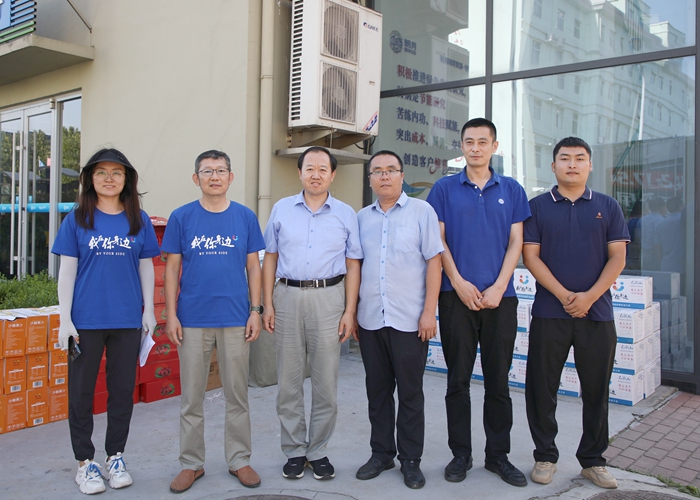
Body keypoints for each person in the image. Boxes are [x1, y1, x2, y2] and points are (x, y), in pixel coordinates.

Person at [426, 118, 530, 487]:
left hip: (501, 299)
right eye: (469, 141)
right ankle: (461, 454)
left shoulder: (512, 189)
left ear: (494, 146)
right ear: (462, 146)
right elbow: (438, 241)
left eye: (482, 142)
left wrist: (500, 285)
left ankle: (498, 456)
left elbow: (516, 242)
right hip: (456, 298)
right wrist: (457, 282)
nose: (475, 148)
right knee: (458, 380)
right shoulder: (444, 188)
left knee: (498, 381)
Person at [52, 148, 160, 495]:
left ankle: (115, 456)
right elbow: (67, 272)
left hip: (126, 320)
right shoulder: (77, 219)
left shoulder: (137, 220)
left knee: (122, 392)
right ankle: (85, 462)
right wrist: (64, 319)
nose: (109, 178)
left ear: (127, 179)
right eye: (101, 172)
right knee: (81, 394)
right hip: (85, 321)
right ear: (90, 179)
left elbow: (146, 266)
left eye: (117, 172)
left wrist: (148, 310)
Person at [523, 137, 629, 489]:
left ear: (590, 165)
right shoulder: (537, 207)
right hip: (549, 313)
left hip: (597, 315)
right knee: (542, 388)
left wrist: (589, 297)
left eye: (579, 158)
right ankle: (545, 455)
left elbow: (618, 257)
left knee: (596, 391)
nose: (572, 164)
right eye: (565, 158)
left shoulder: (607, 205)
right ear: (553, 165)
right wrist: (565, 295)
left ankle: (593, 460)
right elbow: (531, 257)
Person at [162, 150, 265, 494]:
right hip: (192, 319)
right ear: (197, 178)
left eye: (221, 170)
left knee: (237, 394)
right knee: (191, 397)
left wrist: (255, 310)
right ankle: (191, 463)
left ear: (230, 177)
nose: (215, 177)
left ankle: (239, 459)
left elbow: (253, 266)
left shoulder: (245, 217)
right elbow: (172, 268)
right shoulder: (181, 217)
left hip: (236, 317)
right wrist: (171, 315)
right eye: (207, 171)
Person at [262, 146, 362, 481]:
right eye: (309, 168)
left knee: (325, 383)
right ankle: (294, 451)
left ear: (332, 175)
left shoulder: (346, 213)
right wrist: (267, 303)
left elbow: (353, 265)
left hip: (329, 298)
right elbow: (270, 257)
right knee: (288, 382)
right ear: (300, 173)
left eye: (322, 169)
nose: (315, 174)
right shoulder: (281, 209)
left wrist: (350, 310)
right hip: (287, 296)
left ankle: (318, 451)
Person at [354, 151, 443, 489]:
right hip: (371, 319)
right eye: (377, 171)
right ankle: (381, 453)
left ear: (402, 176)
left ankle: (410, 460)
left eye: (391, 170)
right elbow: (355, 267)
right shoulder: (361, 218)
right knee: (377, 392)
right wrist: (353, 312)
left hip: (410, 320)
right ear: (370, 179)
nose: (384, 176)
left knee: (410, 393)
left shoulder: (422, 212)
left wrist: (429, 312)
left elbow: (434, 263)